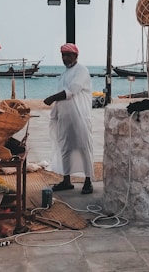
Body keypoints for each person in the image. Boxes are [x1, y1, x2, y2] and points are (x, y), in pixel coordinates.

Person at [43, 43, 94, 194]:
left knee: (83, 147)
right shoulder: (65, 74)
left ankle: (88, 181)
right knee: (65, 148)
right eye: (63, 55)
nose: (65, 58)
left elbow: (70, 91)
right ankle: (66, 180)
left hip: (79, 118)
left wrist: (51, 98)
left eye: (68, 55)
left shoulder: (82, 70)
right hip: (64, 119)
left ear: (76, 56)